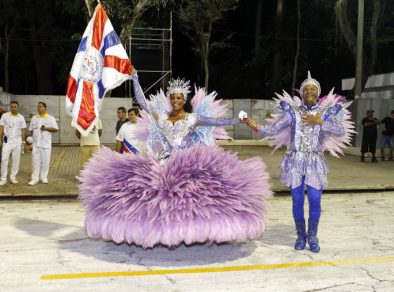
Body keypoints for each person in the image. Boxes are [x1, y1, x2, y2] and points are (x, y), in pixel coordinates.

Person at [78, 72, 272, 249]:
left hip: (188, 161)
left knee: (191, 199)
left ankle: (192, 231)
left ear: (184, 99)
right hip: (165, 160)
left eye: (179, 97)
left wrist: (239, 119)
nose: (176, 100)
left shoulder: (193, 118)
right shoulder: (161, 116)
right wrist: (135, 79)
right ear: (170, 100)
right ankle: (163, 233)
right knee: (158, 196)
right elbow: (143, 103)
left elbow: (220, 122)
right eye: (173, 97)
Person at [243, 71, 354, 253]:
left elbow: (340, 131)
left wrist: (320, 122)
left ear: (318, 94)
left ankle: (312, 236)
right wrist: (252, 124)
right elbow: (270, 129)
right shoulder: (293, 113)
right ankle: (301, 236)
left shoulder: (325, 113)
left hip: (314, 161)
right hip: (295, 161)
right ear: (301, 94)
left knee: (315, 200)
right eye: (306, 89)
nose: (310, 91)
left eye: (313, 89)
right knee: (296, 201)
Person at [28, 102, 59, 185]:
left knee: (45, 162)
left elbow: (56, 129)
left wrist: (46, 128)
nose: (39, 108)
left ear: (45, 108)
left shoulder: (50, 118)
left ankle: (43, 177)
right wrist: (30, 143)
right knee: (35, 162)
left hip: (46, 144)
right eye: (38, 107)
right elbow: (31, 131)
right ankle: (35, 179)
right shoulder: (34, 118)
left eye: (40, 107)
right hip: (36, 145)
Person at [0, 101, 27, 185]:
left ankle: (12, 177)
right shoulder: (5, 116)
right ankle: (3, 178)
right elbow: (1, 128)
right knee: (4, 159)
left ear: (17, 107)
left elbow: (23, 130)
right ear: (10, 107)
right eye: (11, 107)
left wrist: (23, 141)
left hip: (17, 140)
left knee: (16, 160)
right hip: (7, 140)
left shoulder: (21, 117)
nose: (13, 108)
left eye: (14, 107)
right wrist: (0, 140)